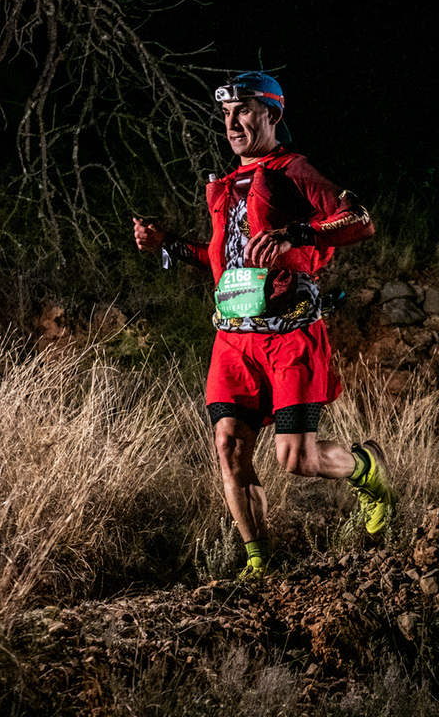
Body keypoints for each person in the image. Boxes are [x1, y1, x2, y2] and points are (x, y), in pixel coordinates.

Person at [132, 71, 395, 579]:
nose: (232, 123)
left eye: (244, 111)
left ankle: (367, 468)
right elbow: (224, 261)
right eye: (226, 114)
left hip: (290, 335)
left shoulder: (292, 168)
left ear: (272, 114)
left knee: (296, 459)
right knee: (228, 446)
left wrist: (296, 234)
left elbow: (360, 220)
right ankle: (259, 562)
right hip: (233, 341)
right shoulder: (228, 182)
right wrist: (167, 244)